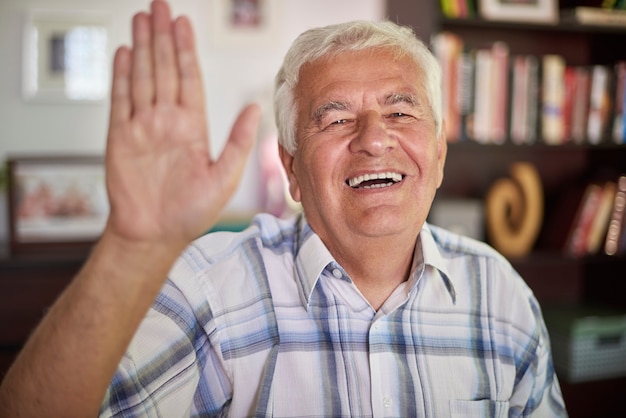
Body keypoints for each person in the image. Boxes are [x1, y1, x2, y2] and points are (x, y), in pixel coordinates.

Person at [0, 1, 567, 416]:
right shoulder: (211, 289)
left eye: (401, 113)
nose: (374, 139)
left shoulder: (501, 295)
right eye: (337, 118)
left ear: (438, 157)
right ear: (291, 169)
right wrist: (133, 246)